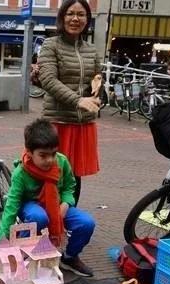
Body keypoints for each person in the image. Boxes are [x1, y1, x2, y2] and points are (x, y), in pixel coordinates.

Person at [0, 119, 96, 277]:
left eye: (53, 154)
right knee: (38, 217)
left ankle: (69, 258)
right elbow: (12, 204)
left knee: (86, 223)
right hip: (30, 206)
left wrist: (66, 203)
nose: (50, 160)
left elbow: (69, 186)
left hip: (57, 204)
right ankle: (19, 254)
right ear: (29, 153)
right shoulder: (21, 173)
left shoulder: (62, 162)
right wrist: (2, 238)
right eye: (43, 155)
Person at [37, 0, 101, 204]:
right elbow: (48, 80)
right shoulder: (50, 45)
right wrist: (78, 100)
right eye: (70, 13)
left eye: (81, 15)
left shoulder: (91, 49)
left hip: (82, 123)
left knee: (73, 177)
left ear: (87, 20)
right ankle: (47, 219)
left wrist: (98, 85)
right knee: (51, 174)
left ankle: (68, 217)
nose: (75, 19)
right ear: (62, 17)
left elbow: (96, 76)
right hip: (58, 121)